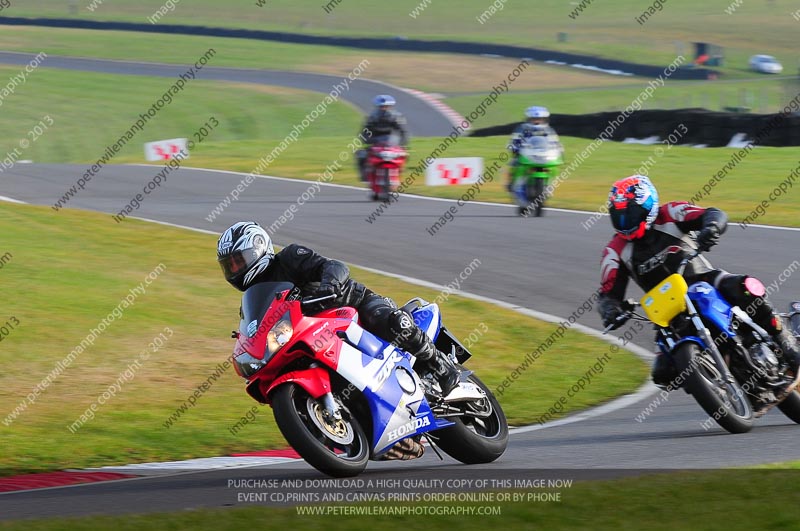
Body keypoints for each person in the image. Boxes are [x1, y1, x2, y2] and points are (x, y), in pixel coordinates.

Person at [597, 175, 800, 386]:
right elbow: (608, 293)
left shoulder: (671, 213)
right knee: (663, 373)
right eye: (618, 215)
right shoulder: (614, 251)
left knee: (745, 288)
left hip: (703, 280)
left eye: (629, 213)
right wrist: (610, 309)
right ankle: (721, 387)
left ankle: (785, 340)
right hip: (667, 310)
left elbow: (712, 214)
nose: (625, 221)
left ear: (647, 206)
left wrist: (711, 227)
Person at [216, 221, 460, 397]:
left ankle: (439, 363)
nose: (236, 269)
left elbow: (334, 265)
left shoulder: (290, 257)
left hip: (349, 304)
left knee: (388, 320)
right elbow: (256, 327)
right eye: (230, 265)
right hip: (314, 333)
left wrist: (329, 285)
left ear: (258, 248)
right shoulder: (254, 297)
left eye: (239, 260)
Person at [506, 106, 563, 191]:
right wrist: (514, 147)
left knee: (555, 167)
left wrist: (559, 149)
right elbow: (515, 140)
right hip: (527, 153)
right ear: (528, 119)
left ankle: (549, 185)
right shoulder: (522, 129)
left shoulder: (549, 131)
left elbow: (556, 142)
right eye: (534, 119)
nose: (537, 121)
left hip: (542, 154)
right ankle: (512, 183)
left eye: (539, 119)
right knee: (514, 162)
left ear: (544, 119)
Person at [355, 95, 409, 181]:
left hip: (392, 144)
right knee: (361, 154)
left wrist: (402, 144)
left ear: (391, 107)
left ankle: (400, 169)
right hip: (376, 144)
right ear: (377, 107)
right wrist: (368, 140)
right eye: (382, 107)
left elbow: (403, 132)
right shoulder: (371, 118)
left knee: (405, 154)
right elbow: (364, 133)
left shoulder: (397, 117)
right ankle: (364, 175)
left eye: (387, 106)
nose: (384, 109)